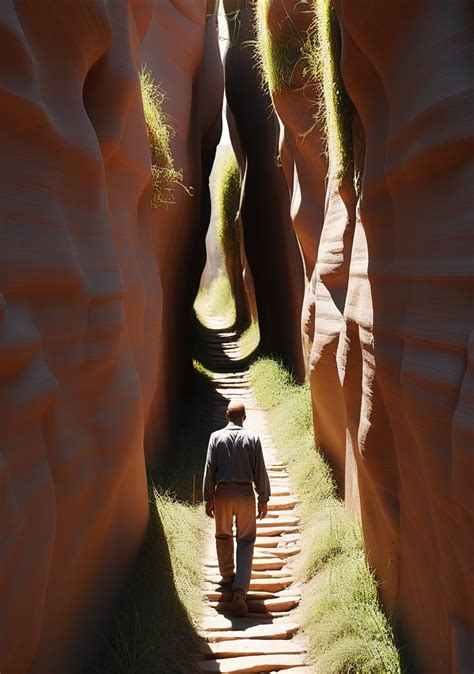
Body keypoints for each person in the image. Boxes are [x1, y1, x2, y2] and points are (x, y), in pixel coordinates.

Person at [202, 399, 271, 617]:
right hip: (244, 493)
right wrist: (263, 498)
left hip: (222, 492)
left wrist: (208, 497)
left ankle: (227, 577)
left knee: (223, 536)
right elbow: (260, 469)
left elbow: (209, 467)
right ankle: (240, 590)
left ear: (226, 416)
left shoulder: (215, 437)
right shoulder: (253, 438)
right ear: (244, 417)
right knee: (246, 540)